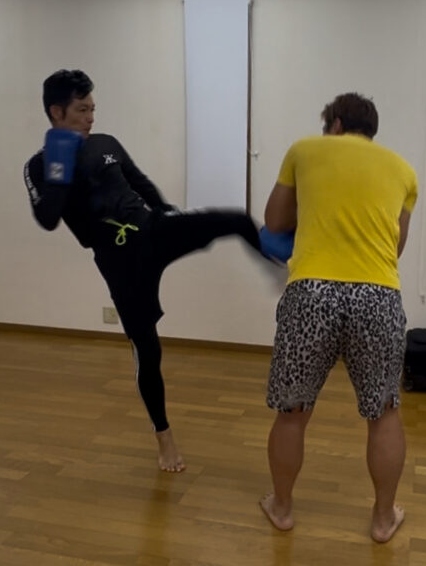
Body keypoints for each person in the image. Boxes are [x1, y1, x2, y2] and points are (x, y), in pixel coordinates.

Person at [24, 69, 262, 473]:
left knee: (236, 220)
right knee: (148, 351)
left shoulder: (106, 143)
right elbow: (48, 218)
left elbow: (140, 182)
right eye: (82, 110)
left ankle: (286, 269)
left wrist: (169, 213)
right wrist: (59, 167)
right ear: (56, 112)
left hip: (152, 230)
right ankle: (163, 437)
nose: (91, 117)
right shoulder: (39, 165)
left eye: (93, 108)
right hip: (120, 263)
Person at [259, 93, 418, 542]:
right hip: (378, 296)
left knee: (292, 411)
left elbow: (274, 222)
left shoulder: (303, 150)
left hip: (311, 293)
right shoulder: (404, 171)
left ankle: (282, 508)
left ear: (336, 124)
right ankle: (383, 519)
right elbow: (395, 247)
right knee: (383, 412)